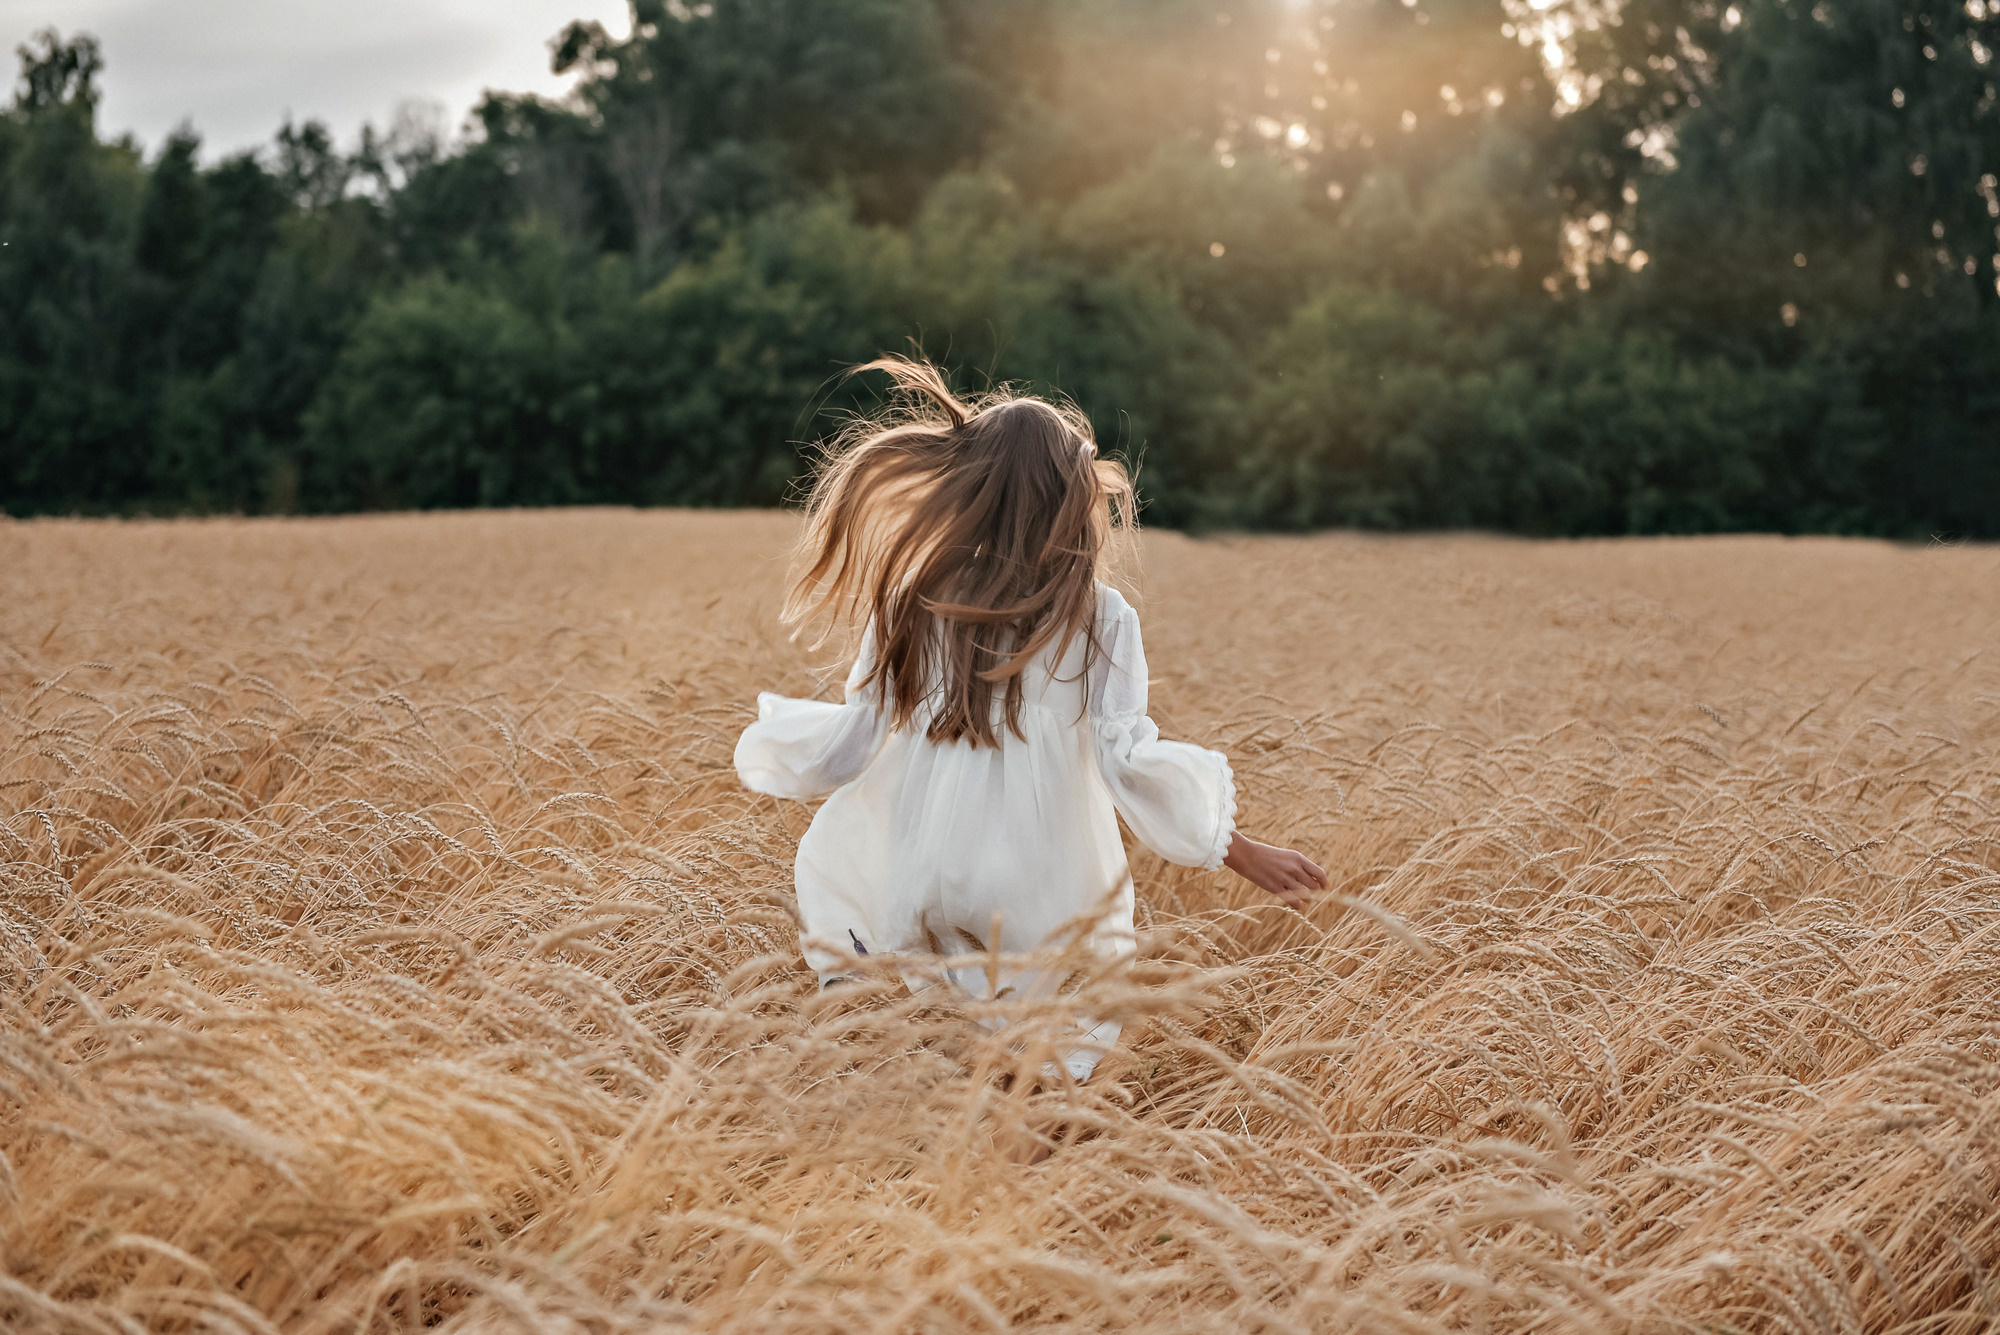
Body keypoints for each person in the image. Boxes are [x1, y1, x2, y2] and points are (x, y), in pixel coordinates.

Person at [735, 358, 1326, 1081]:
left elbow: (854, 740)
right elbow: (1127, 762)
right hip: (1043, 891)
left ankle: (919, 1143)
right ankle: (1018, 1166)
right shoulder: (1101, 616)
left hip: (928, 872)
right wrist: (1238, 849)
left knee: (938, 1049)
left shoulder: (916, 598)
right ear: (1066, 501)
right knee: (1044, 1066)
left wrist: (766, 746)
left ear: (971, 493)